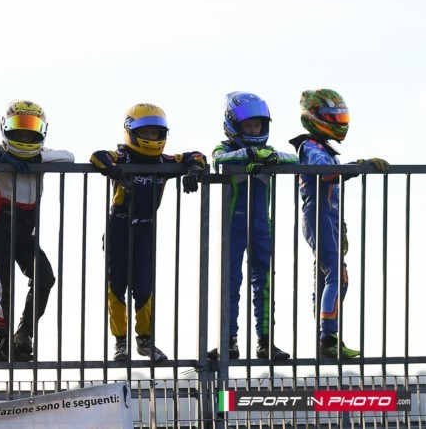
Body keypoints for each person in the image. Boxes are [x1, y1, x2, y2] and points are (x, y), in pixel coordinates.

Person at [90, 103, 207, 362]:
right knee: (116, 286)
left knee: (144, 287)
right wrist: (114, 170)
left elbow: (197, 155)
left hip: (145, 229)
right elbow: (98, 156)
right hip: (119, 227)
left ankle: (145, 341)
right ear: (131, 132)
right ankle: (120, 343)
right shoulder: (123, 157)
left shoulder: (164, 162)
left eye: (156, 133)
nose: (151, 138)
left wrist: (195, 170)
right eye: (146, 132)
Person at [0, 100, 72, 362]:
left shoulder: (43, 156)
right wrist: (2, 158)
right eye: (19, 130)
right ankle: (3, 343)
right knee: (2, 286)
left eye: (30, 131)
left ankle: (24, 333)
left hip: (26, 231)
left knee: (45, 277)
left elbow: (69, 157)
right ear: (6, 128)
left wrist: (37, 158)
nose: (24, 137)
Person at [290, 89, 388, 359]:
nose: (338, 122)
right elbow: (328, 174)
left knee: (329, 276)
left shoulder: (322, 147)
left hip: (328, 216)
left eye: (339, 116)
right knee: (336, 275)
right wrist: (360, 166)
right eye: (332, 117)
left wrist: (340, 225)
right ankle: (328, 339)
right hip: (318, 215)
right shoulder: (310, 146)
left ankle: (326, 336)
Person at [207, 92, 295, 362]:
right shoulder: (225, 149)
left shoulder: (270, 153)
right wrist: (249, 154)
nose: (254, 130)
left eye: (258, 125)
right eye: (248, 126)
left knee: (264, 282)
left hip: (261, 227)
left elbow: (293, 159)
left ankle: (265, 342)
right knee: (230, 282)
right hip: (232, 227)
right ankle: (228, 342)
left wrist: (270, 158)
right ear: (234, 126)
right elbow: (217, 160)